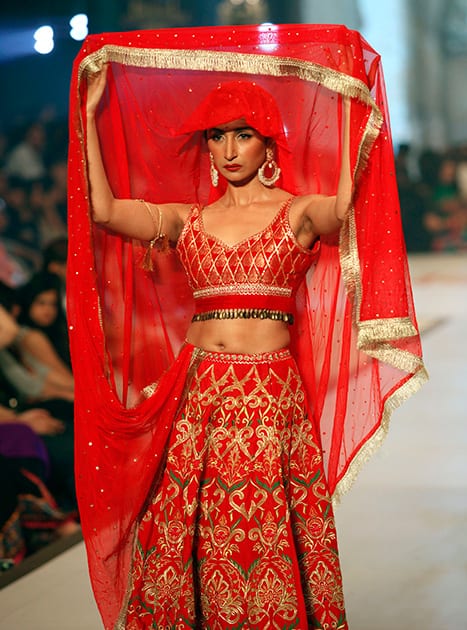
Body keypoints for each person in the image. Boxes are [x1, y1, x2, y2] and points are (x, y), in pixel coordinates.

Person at [68, 24, 427, 630]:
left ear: (268, 146)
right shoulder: (187, 219)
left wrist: (350, 109)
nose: (228, 150)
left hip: (268, 397)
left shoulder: (300, 211)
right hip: (201, 394)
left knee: (260, 534)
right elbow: (102, 211)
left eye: (243, 135)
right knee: (194, 532)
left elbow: (348, 206)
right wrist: (90, 113)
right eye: (216, 137)